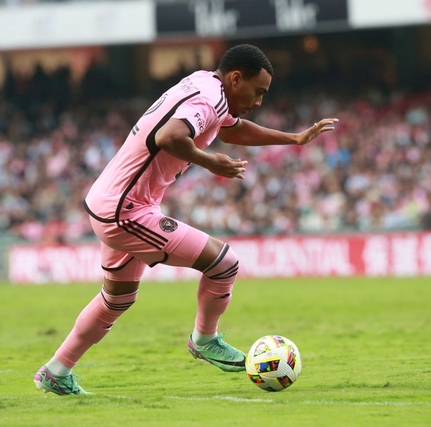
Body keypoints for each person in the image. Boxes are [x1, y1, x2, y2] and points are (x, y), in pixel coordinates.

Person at [34, 44, 338, 395]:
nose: (258, 101)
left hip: (114, 202)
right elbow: (169, 137)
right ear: (235, 79)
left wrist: (294, 139)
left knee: (117, 299)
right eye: (258, 92)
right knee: (223, 263)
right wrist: (210, 162)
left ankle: (56, 371)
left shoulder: (206, 85)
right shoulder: (209, 99)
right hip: (125, 210)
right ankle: (205, 339)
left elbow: (231, 130)